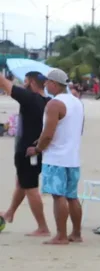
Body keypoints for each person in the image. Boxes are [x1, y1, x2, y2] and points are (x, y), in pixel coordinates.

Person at [32, 69, 85, 246]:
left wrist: (37, 149)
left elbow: (48, 134)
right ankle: (76, 233)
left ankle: (61, 235)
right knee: (72, 196)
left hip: (56, 158)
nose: (45, 85)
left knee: (58, 196)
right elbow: (78, 129)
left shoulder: (54, 104)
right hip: (73, 157)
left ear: (54, 83)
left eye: (47, 82)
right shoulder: (77, 103)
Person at [0, 68, 51, 236]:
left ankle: (42, 227)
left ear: (33, 82)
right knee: (22, 183)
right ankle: (10, 213)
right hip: (36, 150)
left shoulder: (30, 98)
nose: (23, 84)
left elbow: (5, 85)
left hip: (28, 152)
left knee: (30, 187)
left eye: (26, 81)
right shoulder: (47, 101)